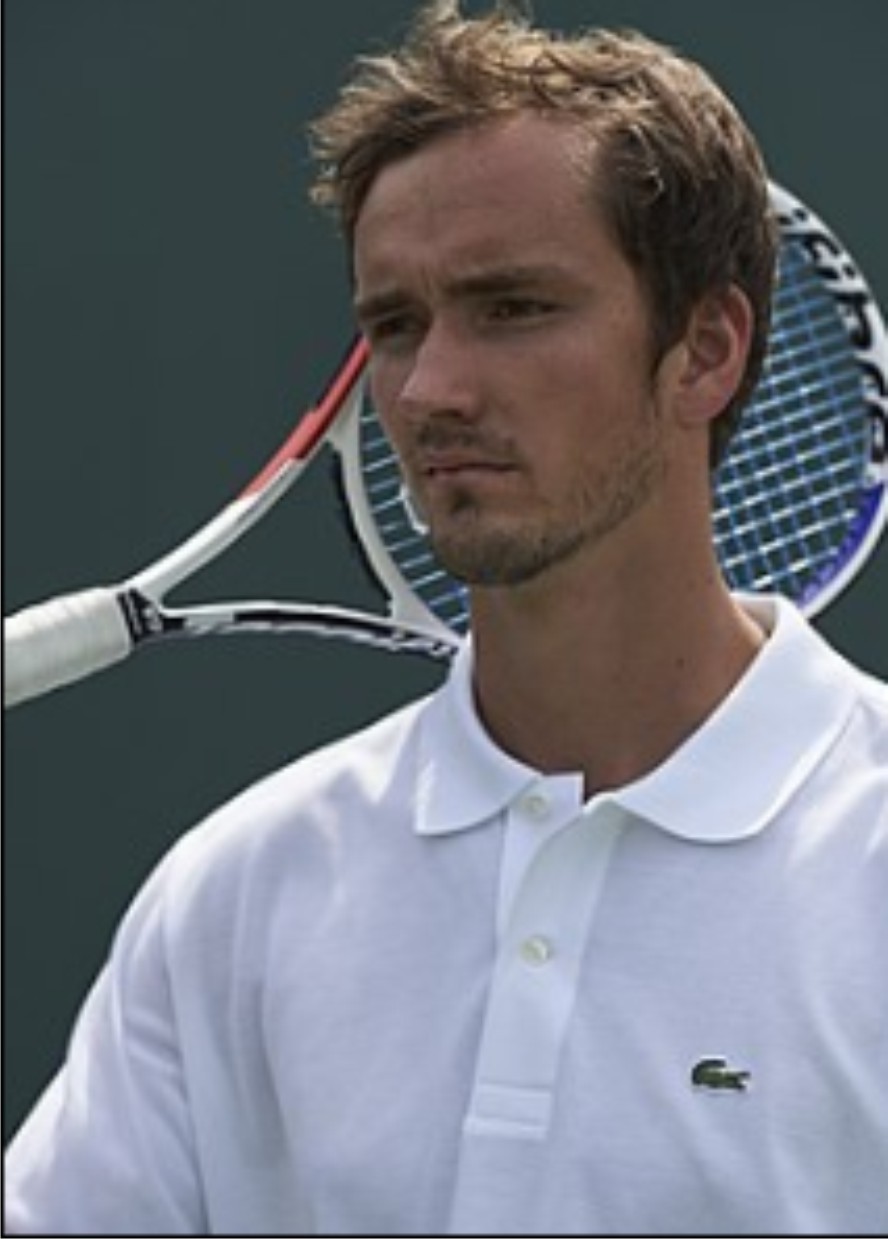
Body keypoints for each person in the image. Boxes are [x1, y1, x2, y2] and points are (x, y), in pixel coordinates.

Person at [6, 1, 887, 1233]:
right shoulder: (235, 893)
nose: (430, 389)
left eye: (513, 307)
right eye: (395, 324)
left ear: (704, 350)